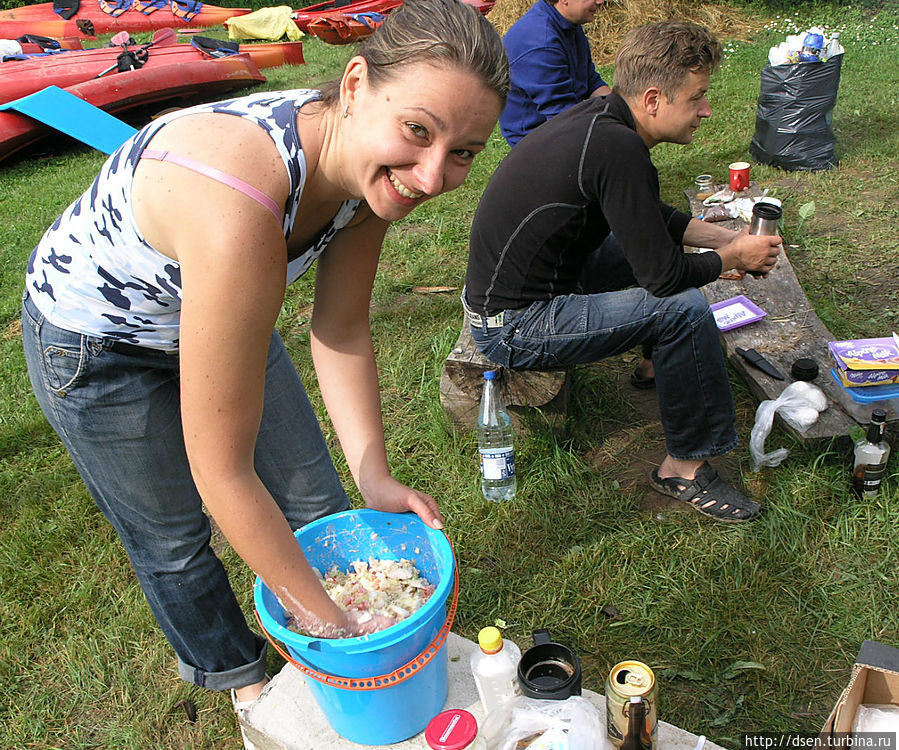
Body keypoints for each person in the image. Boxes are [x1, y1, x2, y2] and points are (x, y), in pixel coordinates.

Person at [21, 0, 508, 743]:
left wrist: (373, 474)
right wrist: (331, 626)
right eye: (418, 130)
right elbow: (221, 473)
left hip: (212, 304)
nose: (433, 174)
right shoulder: (237, 198)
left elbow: (340, 328)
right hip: (97, 345)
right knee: (175, 542)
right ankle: (245, 682)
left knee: (319, 500)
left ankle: (325, 625)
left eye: (464, 151)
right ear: (352, 86)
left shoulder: (376, 176)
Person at [464, 21, 782, 523]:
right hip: (514, 327)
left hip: (531, 290)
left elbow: (645, 214)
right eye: (697, 97)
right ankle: (684, 465)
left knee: (629, 249)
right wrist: (732, 260)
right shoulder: (618, 146)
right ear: (654, 99)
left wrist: (724, 239)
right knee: (682, 309)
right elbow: (662, 277)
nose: (706, 110)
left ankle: (661, 366)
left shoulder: (604, 119)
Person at [500, 0, 611, 146]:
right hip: (536, 142)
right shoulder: (541, 43)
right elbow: (563, 117)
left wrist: (621, 109)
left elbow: (589, 81)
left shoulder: (568, 24)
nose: (600, 1)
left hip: (565, 122)